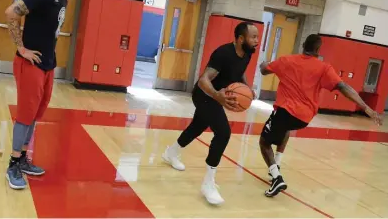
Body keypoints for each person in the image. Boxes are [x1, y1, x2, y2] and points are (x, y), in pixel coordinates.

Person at [259, 34, 383, 197]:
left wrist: (264, 63)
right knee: (286, 128)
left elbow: (263, 70)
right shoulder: (324, 68)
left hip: (285, 111)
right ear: (318, 50)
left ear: (303, 45)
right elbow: (343, 87)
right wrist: (367, 108)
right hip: (304, 118)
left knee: (264, 143)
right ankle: (278, 163)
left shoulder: (286, 61)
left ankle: (277, 178)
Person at [162, 22, 259, 205]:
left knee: (197, 127)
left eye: (257, 37)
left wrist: (247, 87)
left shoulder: (246, 54)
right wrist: (217, 96)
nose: (257, 41)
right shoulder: (223, 53)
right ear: (240, 39)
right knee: (223, 133)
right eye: (253, 37)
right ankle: (208, 183)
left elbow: (240, 72)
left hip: (217, 96)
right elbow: (203, 80)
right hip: (205, 95)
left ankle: (171, 153)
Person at [4, 0, 78, 190]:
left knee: (36, 113)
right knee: (26, 114)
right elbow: (10, 13)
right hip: (31, 64)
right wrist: (21, 48)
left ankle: (24, 157)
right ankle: (13, 164)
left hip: (47, 64)